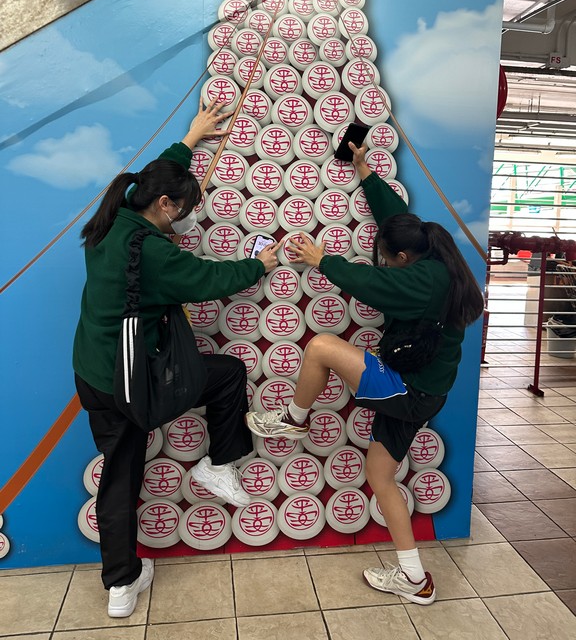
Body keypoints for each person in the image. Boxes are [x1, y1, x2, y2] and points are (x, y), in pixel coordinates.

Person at [247, 141, 484, 606]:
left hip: (409, 390)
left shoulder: (421, 283)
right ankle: (415, 579)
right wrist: (365, 172)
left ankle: (293, 419)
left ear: (402, 259)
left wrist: (321, 260)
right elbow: (398, 221)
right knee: (380, 474)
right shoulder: (431, 254)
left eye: (386, 255)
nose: (383, 258)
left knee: (321, 347)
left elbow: (370, 283)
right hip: (425, 391)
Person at [73, 98, 281, 618]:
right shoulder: (153, 253)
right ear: (165, 204)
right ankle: (217, 464)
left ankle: (121, 585)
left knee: (119, 476)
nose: (187, 217)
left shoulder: (112, 219)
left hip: (93, 372)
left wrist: (190, 139)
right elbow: (208, 279)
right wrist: (258, 264)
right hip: (131, 382)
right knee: (228, 373)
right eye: (184, 208)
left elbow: (154, 178)